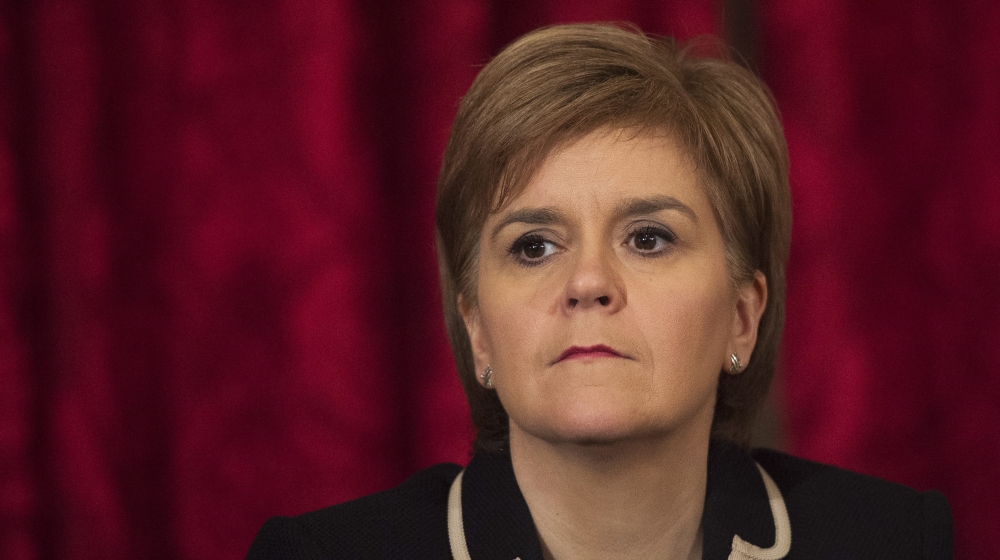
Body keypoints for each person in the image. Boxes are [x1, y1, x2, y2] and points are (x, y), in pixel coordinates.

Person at [247, 23, 953, 560]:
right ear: (478, 331)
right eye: (534, 246)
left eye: (648, 238)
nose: (587, 283)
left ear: (743, 318)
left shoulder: (892, 543)